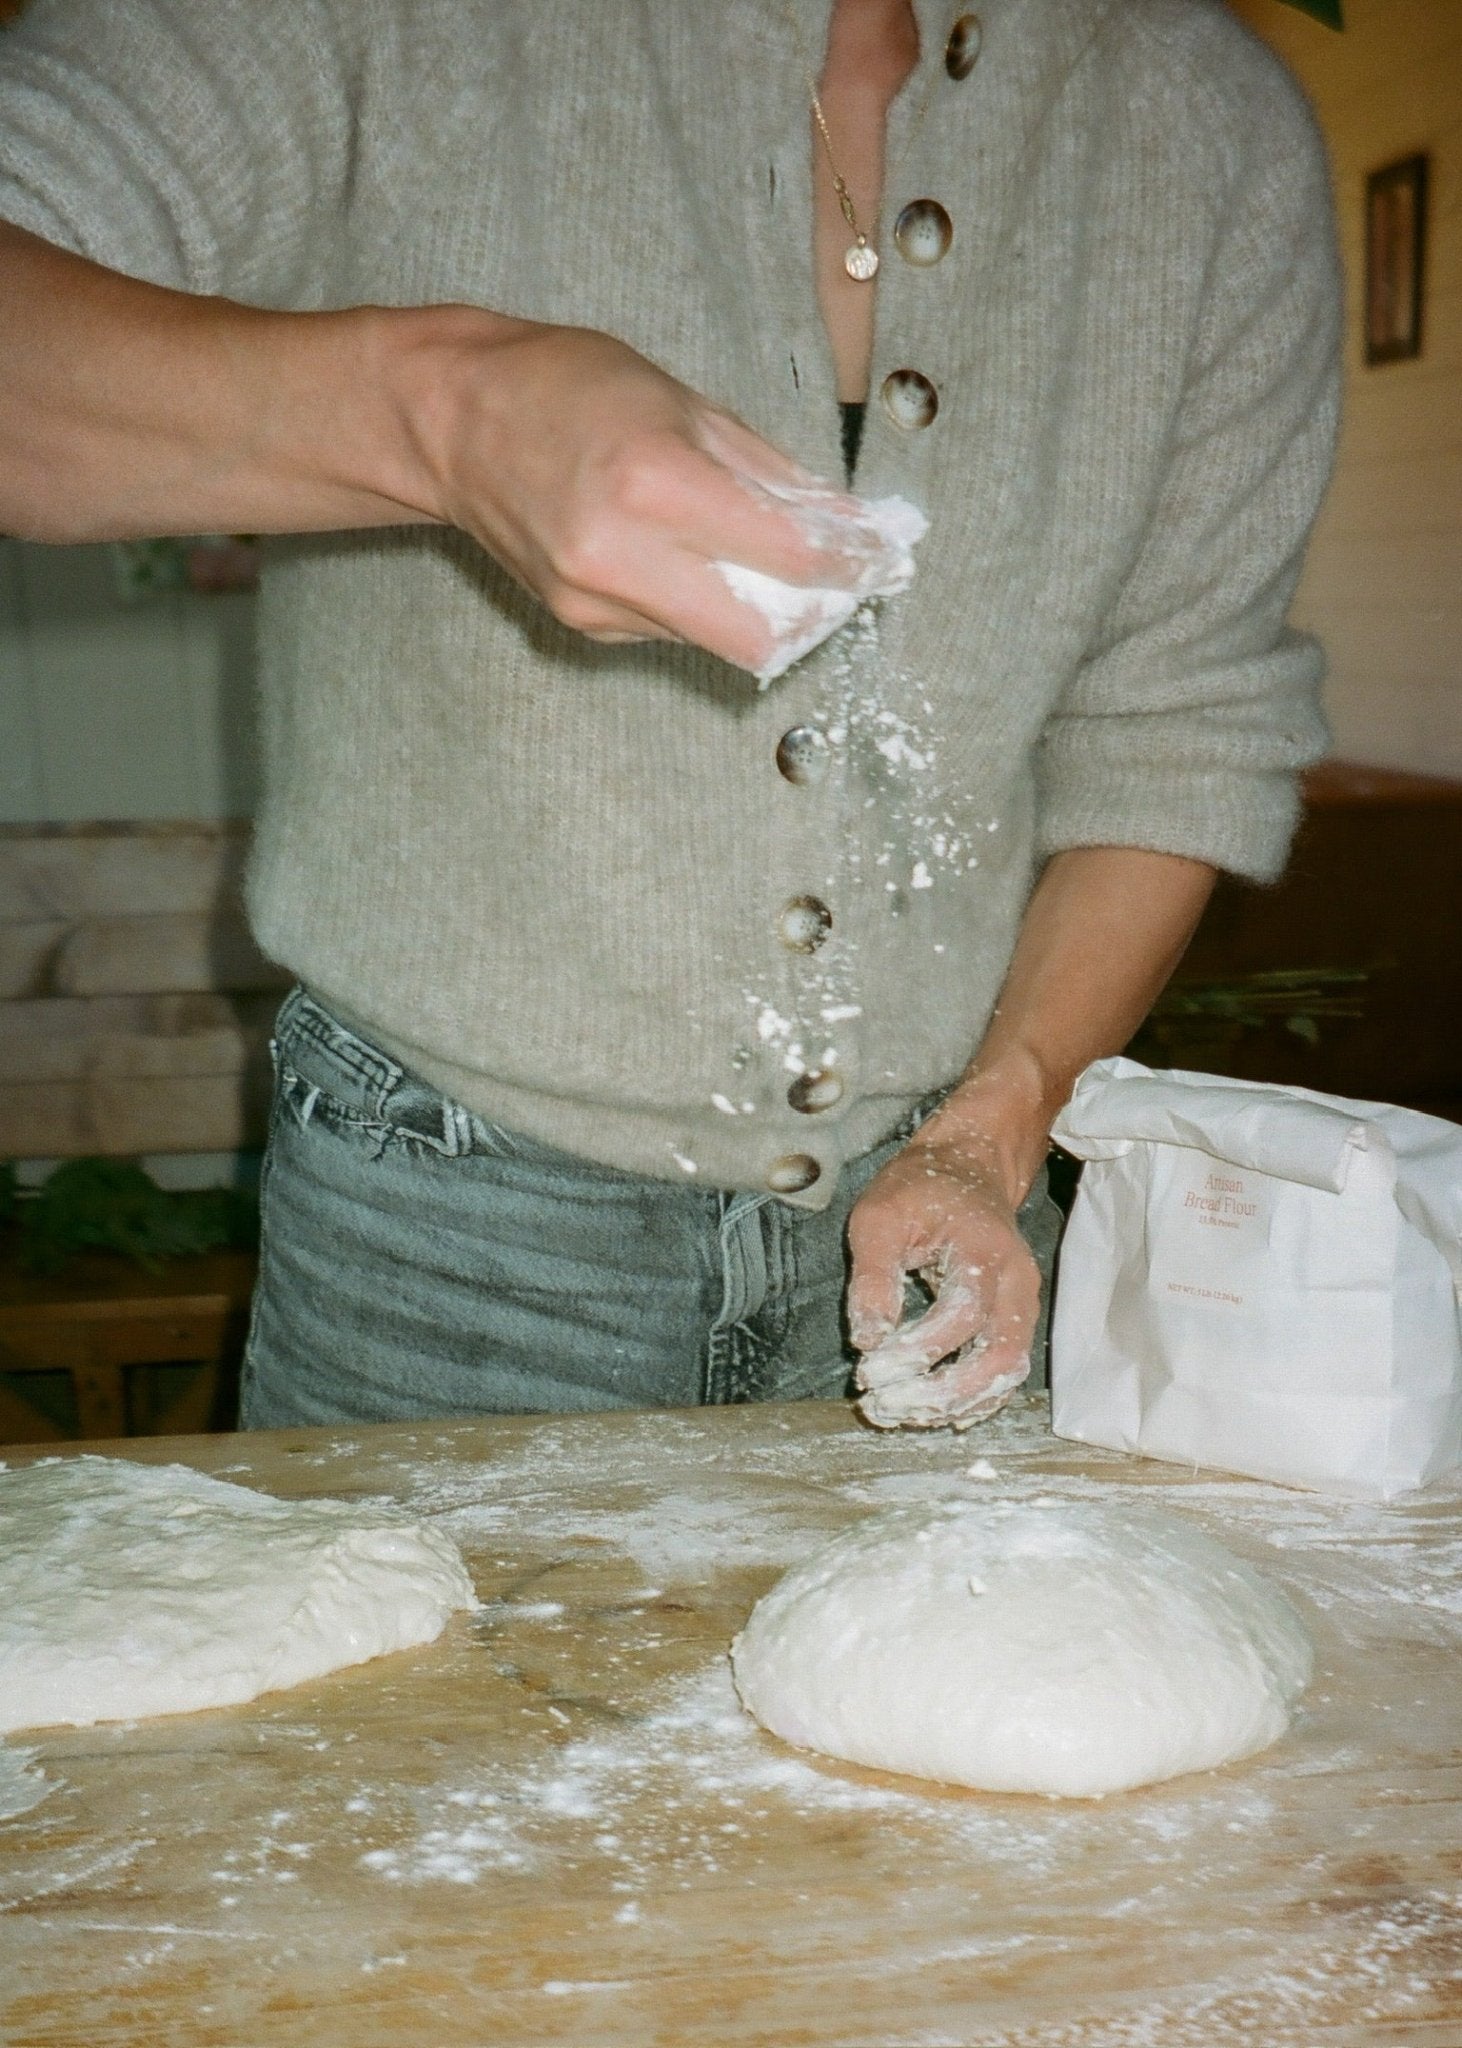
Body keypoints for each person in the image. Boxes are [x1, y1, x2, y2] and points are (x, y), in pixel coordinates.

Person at [0, 0, 1341, 1431]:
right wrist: (439, 415)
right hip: (442, 1234)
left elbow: (1176, 732)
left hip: (958, 1218)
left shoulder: (1212, 123)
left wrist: (996, 1124)